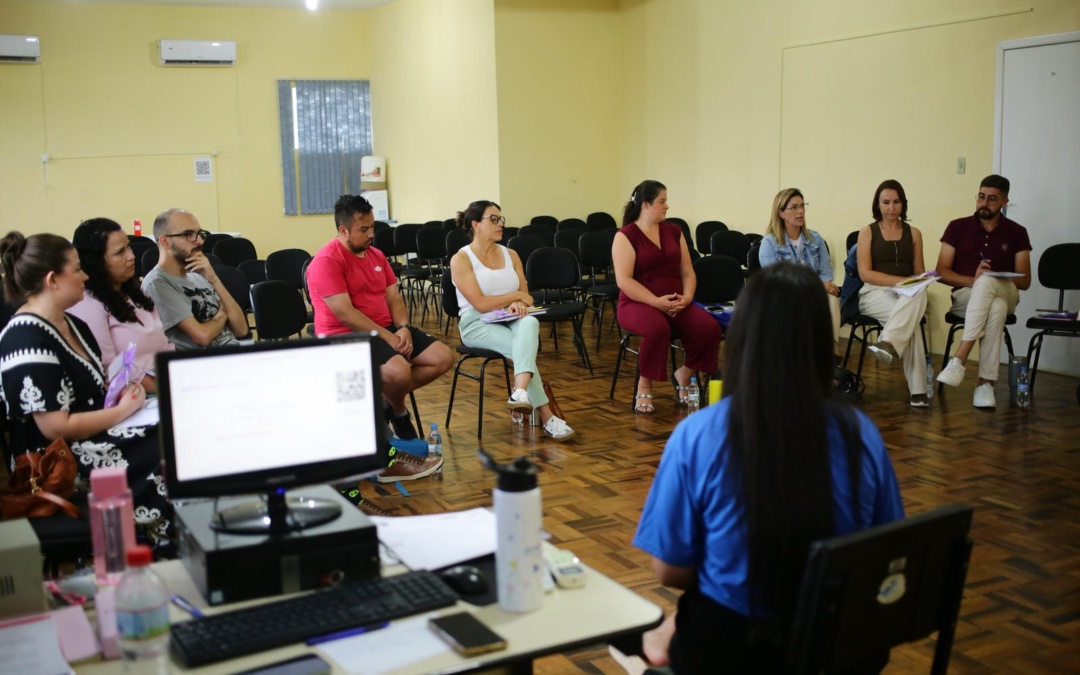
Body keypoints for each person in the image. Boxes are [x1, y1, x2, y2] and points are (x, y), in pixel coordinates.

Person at [631, 262, 904, 673]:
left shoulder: (699, 434)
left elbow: (669, 567)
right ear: (820, 339)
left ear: (744, 336)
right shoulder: (860, 434)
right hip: (837, 646)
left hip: (735, 651)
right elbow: (886, 544)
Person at [0, 232, 171, 540]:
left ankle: (177, 540)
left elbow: (93, 391)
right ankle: (168, 542)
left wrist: (121, 393)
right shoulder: (24, 338)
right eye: (77, 269)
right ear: (53, 279)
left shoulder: (72, 324)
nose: (86, 276)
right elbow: (56, 428)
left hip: (91, 434)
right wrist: (124, 410)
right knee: (165, 451)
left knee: (172, 427)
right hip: (55, 460)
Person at [306, 194, 453, 442]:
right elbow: (345, 313)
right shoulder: (326, 261)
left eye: (372, 227)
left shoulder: (375, 255)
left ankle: (384, 401)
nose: (371, 234)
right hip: (346, 336)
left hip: (383, 328)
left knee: (442, 357)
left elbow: (394, 296)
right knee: (399, 373)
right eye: (363, 229)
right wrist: (387, 336)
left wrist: (403, 328)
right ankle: (399, 411)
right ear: (343, 230)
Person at [450, 200, 575, 441]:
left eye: (501, 219)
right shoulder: (461, 259)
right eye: (493, 219)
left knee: (530, 322)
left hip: (509, 317)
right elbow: (481, 304)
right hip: (477, 323)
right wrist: (515, 296)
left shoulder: (512, 254)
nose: (500, 224)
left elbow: (527, 297)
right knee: (523, 351)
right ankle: (548, 417)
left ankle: (519, 393)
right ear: (476, 225)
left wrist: (520, 302)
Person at [612, 180, 722, 414]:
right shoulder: (626, 235)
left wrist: (688, 297)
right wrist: (656, 302)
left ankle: (684, 374)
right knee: (657, 329)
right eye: (662, 202)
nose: (667, 206)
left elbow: (687, 271)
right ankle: (645, 386)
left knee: (709, 328)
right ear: (645, 204)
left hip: (675, 300)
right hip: (637, 302)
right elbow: (624, 281)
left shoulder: (674, 231)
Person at [935, 175, 1032, 408]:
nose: (984, 203)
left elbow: (1025, 280)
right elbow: (941, 271)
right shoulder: (957, 227)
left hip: (1007, 291)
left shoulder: (1017, 232)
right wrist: (974, 280)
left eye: (991, 199)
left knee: (989, 283)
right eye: (981, 197)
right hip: (966, 297)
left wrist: (990, 278)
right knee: (994, 306)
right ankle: (985, 384)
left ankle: (959, 358)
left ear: (1004, 202)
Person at [68, 218, 174, 394]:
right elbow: (110, 369)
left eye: (129, 247)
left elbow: (166, 344)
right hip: (137, 395)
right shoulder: (88, 304)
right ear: (96, 261)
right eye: (119, 252)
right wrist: (168, 388)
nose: (131, 256)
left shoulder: (132, 291)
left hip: (165, 383)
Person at [856, 180, 930, 407]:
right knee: (912, 324)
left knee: (919, 292)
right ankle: (918, 391)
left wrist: (921, 281)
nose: (891, 207)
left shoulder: (915, 233)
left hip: (907, 293)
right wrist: (900, 282)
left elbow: (919, 273)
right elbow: (865, 274)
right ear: (877, 205)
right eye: (886, 202)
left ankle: (887, 342)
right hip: (874, 292)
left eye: (896, 202)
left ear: (903, 204)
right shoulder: (866, 232)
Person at [141, 208, 249, 350]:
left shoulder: (199, 277)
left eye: (199, 234)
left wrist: (214, 279)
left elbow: (241, 330)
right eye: (188, 234)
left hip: (234, 355)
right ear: (165, 242)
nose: (199, 241)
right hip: (205, 365)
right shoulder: (157, 283)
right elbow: (202, 337)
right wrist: (222, 314)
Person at [759, 188, 841, 355]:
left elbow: (826, 274)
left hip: (814, 295)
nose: (801, 211)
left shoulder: (816, 239)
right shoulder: (769, 243)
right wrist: (816, 286)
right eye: (794, 207)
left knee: (832, 299)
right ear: (781, 213)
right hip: (785, 297)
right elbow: (777, 282)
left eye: (802, 206)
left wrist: (819, 287)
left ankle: (831, 355)